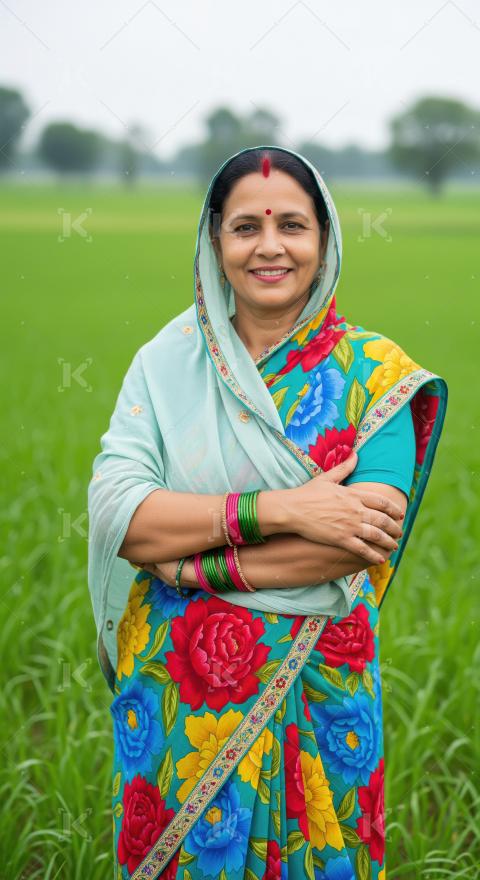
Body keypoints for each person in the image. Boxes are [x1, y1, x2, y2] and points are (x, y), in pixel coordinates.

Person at [87, 146, 447, 880]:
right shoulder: (165, 366)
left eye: (293, 224)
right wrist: (283, 508)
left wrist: (184, 562)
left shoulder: (375, 374)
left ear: (325, 239)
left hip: (323, 691)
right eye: (246, 226)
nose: (270, 246)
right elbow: (120, 517)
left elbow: (361, 535)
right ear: (215, 241)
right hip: (177, 692)